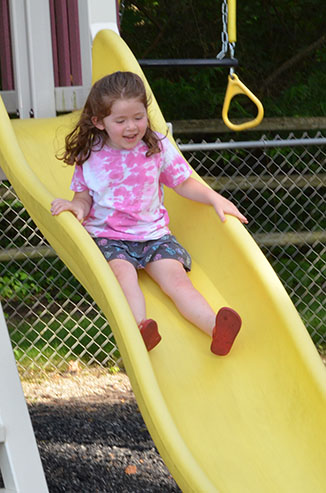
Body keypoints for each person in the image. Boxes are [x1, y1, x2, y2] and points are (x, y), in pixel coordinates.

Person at [51, 71, 248, 355]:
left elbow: (183, 182)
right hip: (109, 237)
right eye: (120, 121)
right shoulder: (91, 153)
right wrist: (76, 209)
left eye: (138, 117)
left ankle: (214, 328)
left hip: (154, 235)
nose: (131, 127)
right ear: (99, 122)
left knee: (178, 282)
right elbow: (83, 198)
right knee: (124, 278)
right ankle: (140, 328)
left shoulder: (155, 145)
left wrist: (214, 198)